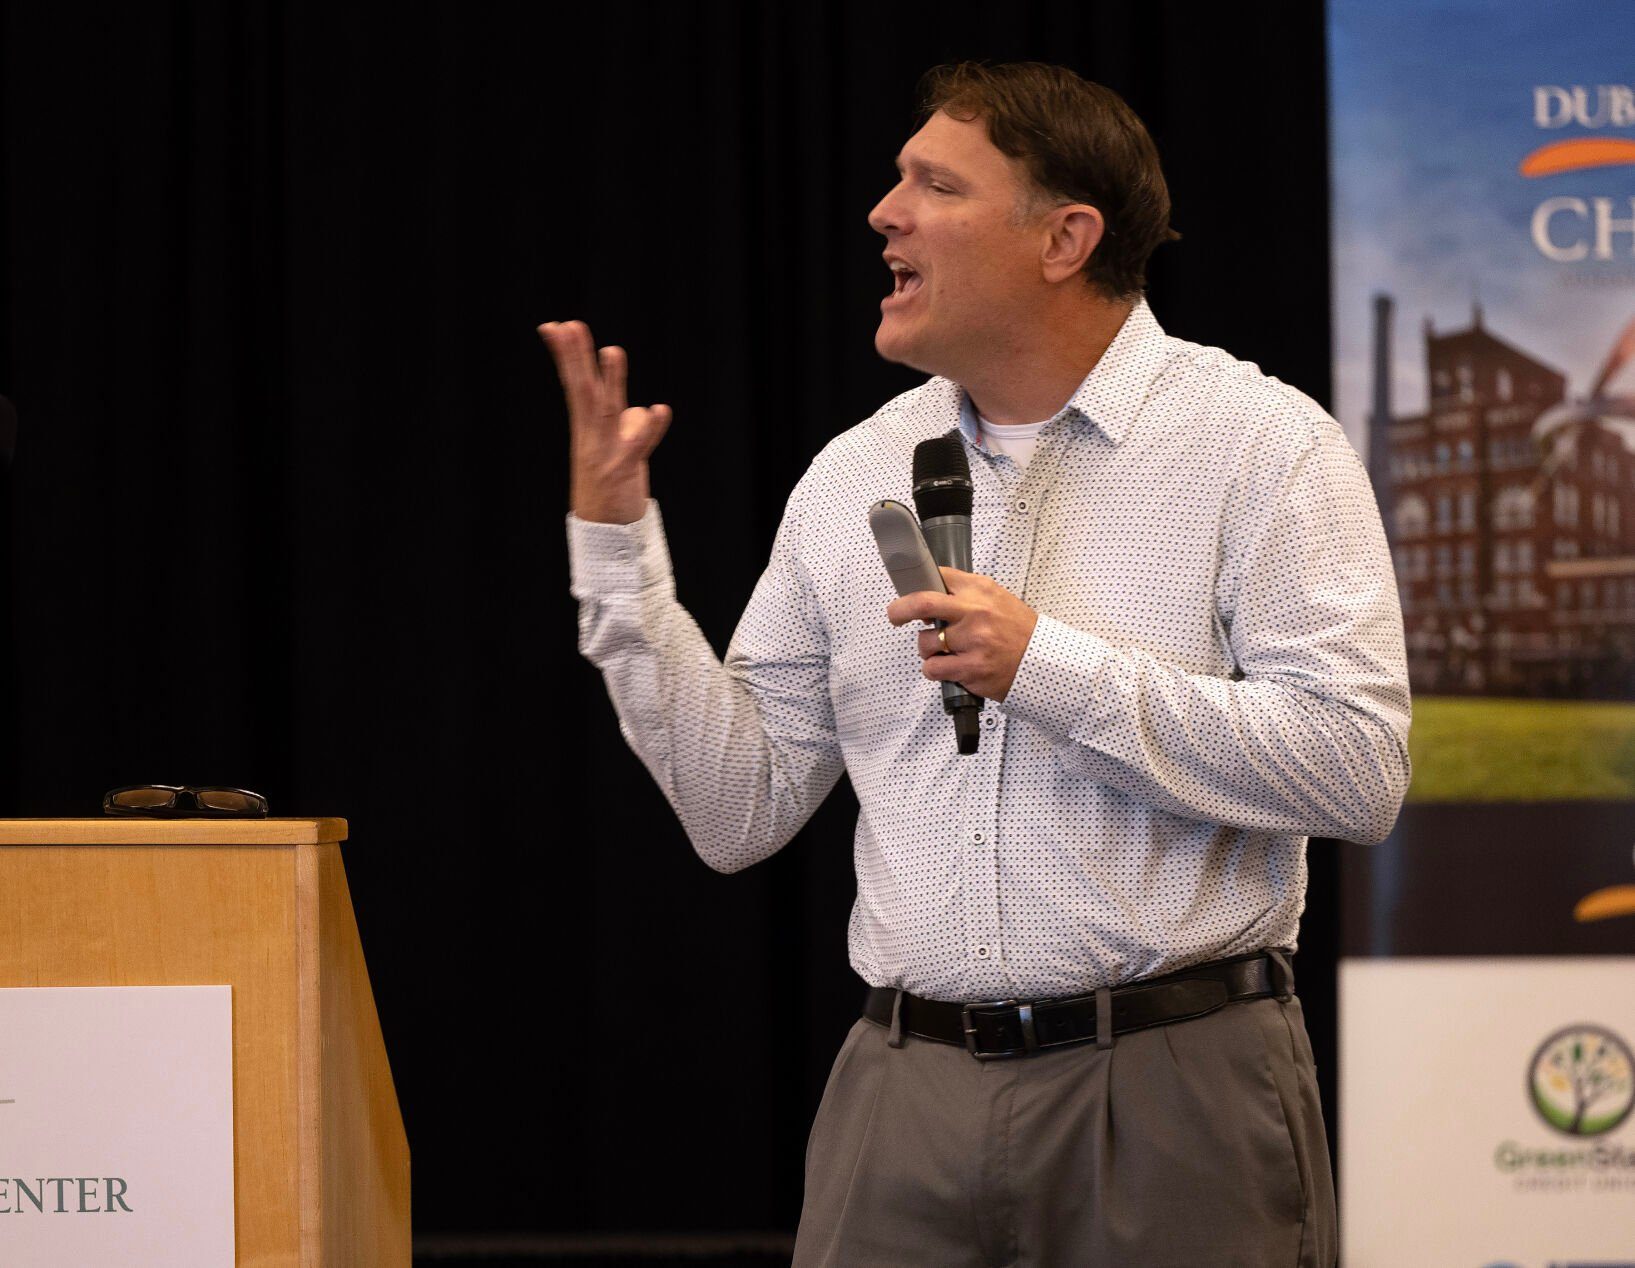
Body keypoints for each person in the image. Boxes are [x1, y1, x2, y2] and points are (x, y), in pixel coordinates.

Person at [546, 60, 1408, 1268]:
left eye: (932, 184)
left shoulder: (1259, 445)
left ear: (1066, 237)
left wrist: (1047, 666)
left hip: (1172, 1092)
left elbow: (1358, 768)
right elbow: (736, 808)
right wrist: (616, 555)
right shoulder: (854, 472)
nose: (880, 213)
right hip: (903, 1094)